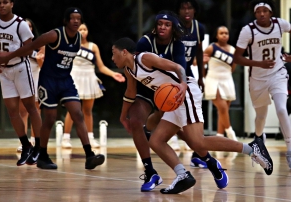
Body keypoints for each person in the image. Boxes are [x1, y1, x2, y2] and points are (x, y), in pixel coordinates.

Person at [112, 37, 273, 194]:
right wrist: (122, 116)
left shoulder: (144, 58)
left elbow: (178, 68)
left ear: (124, 52)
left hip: (184, 92)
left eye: (114, 53)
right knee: (156, 141)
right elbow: (130, 93)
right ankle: (183, 175)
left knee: (198, 141)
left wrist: (182, 86)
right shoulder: (129, 71)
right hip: (174, 100)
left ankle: (251, 148)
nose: (112, 58)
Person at [0, 7, 105, 170]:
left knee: (78, 113)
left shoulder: (78, 39)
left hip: (65, 80)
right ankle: (42, 154)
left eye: (78, 18)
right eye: (72, 18)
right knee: (49, 117)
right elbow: (31, 46)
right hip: (48, 81)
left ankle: (89, 155)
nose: (76, 21)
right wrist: (8, 57)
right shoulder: (54, 35)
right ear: (66, 20)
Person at [233, 0, 291, 169]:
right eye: (258, 11)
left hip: (278, 73)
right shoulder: (248, 31)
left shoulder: (279, 24)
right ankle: (258, 139)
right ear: (255, 14)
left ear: (271, 13)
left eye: (265, 11)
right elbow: (237, 58)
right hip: (258, 78)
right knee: (261, 116)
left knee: (281, 109)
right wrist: (258, 63)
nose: (261, 14)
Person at [127, 10, 186, 192]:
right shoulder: (145, 42)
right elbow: (135, 70)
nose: (162, 27)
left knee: (186, 133)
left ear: (173, 28)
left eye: (167, 25)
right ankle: (150, 171)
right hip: (147, 89)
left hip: (168, 90)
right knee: (136, 121)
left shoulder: (177, 45)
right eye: (160, 23)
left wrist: (183, 84)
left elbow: (180, 68)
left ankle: (209, 161)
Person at [62, 23, 125, 149]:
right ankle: (66, 138)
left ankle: (90, 138)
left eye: (85, 29)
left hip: (89, 78)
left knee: (87, 110)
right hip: (75, 77)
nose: (83, 31)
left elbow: (101, 67)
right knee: (73, 110)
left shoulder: (93, 46)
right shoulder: (70, 45)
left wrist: (114, 74)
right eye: (80, 29)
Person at [0, 0, 42, 166]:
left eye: (4, 2)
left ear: (12, 4)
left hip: (21, 68)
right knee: (12, 111)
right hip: (4, 72)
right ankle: (26, 145)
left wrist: (8, 57)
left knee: (31, 107)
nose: (1, 6)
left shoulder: (20, 24)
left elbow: (30, 48)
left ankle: (38, 146)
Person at [174, 0, 208, 168]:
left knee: (195, 110)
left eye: (189, 7)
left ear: (195, 10)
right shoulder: (173, 26)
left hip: (187, 75)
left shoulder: (199, 28)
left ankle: (198, 152)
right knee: (171, 112)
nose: (186, 10)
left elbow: (199, 52)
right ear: (178, 11)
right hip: (171, 75)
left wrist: (201, 76)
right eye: (183, 7)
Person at [203, 26, 238, 159]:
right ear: (217, 35)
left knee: (223, 112)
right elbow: (200, 63)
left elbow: (233, 67)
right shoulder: (211, 48)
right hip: (213, 79)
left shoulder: (233, 50)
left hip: (227, 79)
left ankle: (219, 139)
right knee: (222, 107)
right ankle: (231, 135)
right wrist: (204, 77)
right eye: (221, 33)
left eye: (226, 33)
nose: (224, 35)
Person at [17, 18, 44, 152]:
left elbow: (43, 67)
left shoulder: (40, 45)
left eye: (30, 27)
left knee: (36, 111)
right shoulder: (15, 44)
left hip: (36, 78)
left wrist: (39, 60)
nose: (27, 29)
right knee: (23, 111)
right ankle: (24, 142)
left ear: (32, 29)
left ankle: (35, 140)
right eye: (24, 26)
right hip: (22, 78)